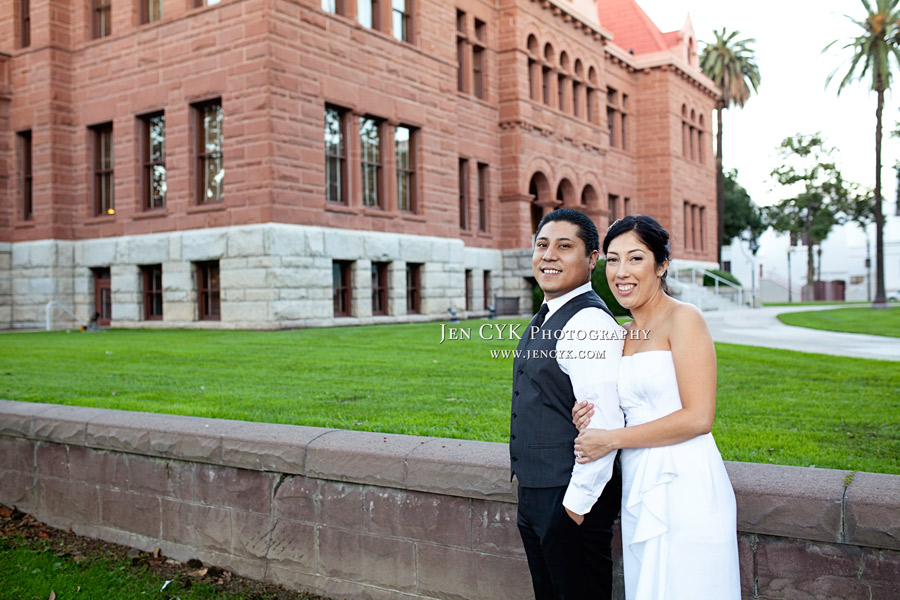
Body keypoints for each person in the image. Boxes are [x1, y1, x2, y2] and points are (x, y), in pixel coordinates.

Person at [572, 215, 741, 600]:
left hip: (685, 480)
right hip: (638, 481)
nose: (620, 272)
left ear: (661, 265)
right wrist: (585, 416)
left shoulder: (685, 319)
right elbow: (619, 405)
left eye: (635, 259)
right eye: (612, 260)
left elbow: (699, 417)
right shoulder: (623, 334)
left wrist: (611, 439)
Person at [510, 208, 625, 600]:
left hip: (570, 498)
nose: (549, 255)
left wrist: (573, 509)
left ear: (592, 259)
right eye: (542, 245)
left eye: (564, 246)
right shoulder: (548, 314)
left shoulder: (588, 323)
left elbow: (604, 426)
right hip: (538, 493)